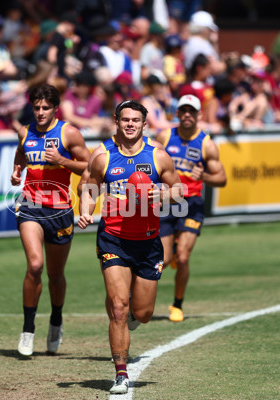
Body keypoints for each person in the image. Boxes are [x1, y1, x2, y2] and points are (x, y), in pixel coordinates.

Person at [78, 100, 183, 394]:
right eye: (125, 119)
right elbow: (88, 186)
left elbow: (178, 191)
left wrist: (162, 192)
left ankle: (136, 315)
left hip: (149, 242)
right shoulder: (102, 155)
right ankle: (121, 374)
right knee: (119, 308)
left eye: (136, 120)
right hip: (113, 239)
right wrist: (86, 210)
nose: (130, 125)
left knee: (144, 313)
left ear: (144, 124)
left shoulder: (158, 156)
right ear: (116, 121)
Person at [10, 84, 90, 357]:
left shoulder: (68, 133)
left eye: (46, 108)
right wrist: (16, 170)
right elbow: (21, 152)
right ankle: (27, 330)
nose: (40, 112)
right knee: (35, 264)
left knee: (56, 275)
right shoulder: (25, 132)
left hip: (60, 210)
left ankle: (56, 320)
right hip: (30, 205)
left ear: (55, 108)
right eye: (36, 108)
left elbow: (91, 166)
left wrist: (63, 161)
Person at [155, 94, 226, 323]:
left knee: (183, 257)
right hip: (166, 203)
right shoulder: (165, 136)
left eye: (191, 111)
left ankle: (177, 304)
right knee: (163, 260)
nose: (187, 115)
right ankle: (139, 299)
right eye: (183, 110)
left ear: (199, 115)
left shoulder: (206, 144)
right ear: (177, 113)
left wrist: (204, 175)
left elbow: (222, 178)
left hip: (190, 203)